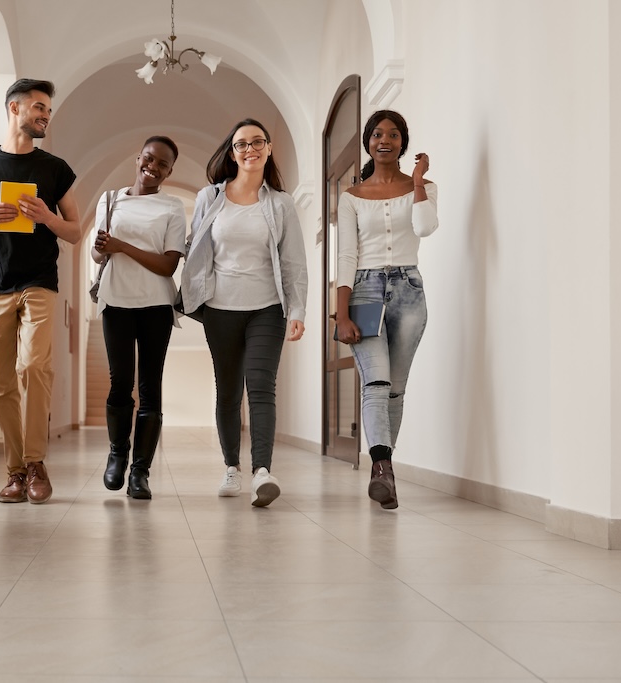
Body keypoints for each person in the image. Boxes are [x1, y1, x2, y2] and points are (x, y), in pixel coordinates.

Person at [0, 78, 82, 504]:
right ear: (15, 109)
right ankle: (14, 472)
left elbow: (76, 231)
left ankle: (36, 463)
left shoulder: (55, 169)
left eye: (48, 110)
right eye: (39, 107)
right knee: (1, 382)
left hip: (39, 282)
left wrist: (46, 216)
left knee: (35, 367)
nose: (46, 115)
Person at [180, 118, 308, 507]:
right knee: (228, 390)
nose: (249, 149)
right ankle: (232, 467)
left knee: (261, 386)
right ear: (232, 152)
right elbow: (196, 249)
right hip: (220, 308)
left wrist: (297, 307)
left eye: (257, 142)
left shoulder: (280, 204)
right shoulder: (209, 198)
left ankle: (263, 472)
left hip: (268, 308)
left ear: (269, 149)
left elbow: (293, 262)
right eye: (241, 144)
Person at [334, 109, 439, 510]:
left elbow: (426, 228)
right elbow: (346, 255)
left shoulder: (424, 186)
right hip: (364, 290)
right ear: (368, 141)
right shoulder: (351, 197)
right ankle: (382, 469)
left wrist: (416, 183)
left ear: (402, 143)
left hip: (410, 290)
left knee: (395, 388)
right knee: (375, 384)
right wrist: (341, 314)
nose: (385, 140)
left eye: (394, 135)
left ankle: (385, 468)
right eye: (377, 133)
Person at [91, 136, 186, 500]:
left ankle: (140, 472)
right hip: (115, 301)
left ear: (169, 171)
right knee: (119, 383)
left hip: (156, 306)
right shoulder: (110, 200)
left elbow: (168, 264)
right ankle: (117, 455)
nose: (153, 167)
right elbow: (99, 257)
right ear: (138, 158)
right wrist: (103, 250)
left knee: (150, 388)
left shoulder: (172, 207)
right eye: (149, 158)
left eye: (162, 163)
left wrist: (122, 246)